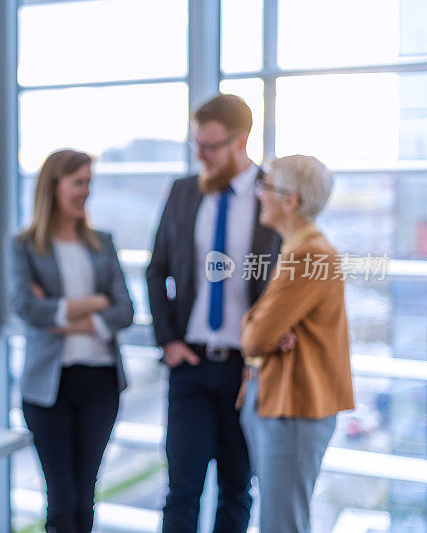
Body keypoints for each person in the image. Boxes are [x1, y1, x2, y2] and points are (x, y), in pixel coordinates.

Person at [146, 94, 281, 532]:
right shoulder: (185, 191)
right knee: (181, 490)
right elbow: (157, 269)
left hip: (247, 370)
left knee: (238, 489)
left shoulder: (273, 196)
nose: (200, 155)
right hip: (191, 364)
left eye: (210, 146)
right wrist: (168, 341)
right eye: (196, 145)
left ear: (241, 140)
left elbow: (287, 280)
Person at [8, 149, 134, 533]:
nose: (86, 191)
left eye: (88, 183)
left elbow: (125, 311)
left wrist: (63, 315)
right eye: (78, 182)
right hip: (49, 389)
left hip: (100, 383)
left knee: (85, 496)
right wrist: (96, 305)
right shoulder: (25, 246)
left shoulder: (102, 242)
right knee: (60, 501)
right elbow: (28, 310)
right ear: (54, 186)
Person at [239, 154, 354, 532]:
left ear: (290, 200)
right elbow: (262, 333)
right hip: (283, 404)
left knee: (281, 524)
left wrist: (258, 329)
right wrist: (263, 329)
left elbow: (254, 339)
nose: (259, 195)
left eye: (266, 187)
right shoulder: (298, 249)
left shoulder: (308, 256)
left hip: (294, 408)